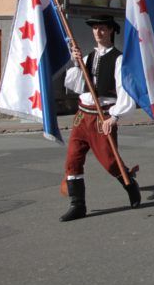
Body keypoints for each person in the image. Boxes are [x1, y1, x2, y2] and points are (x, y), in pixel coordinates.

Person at [60, 15, 140, 222]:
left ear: (111, 30)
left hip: (102, 116)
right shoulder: (86, 57)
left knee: (110, 162)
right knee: (72, 160)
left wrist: (114, 116)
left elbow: (125, 90)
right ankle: (78, 205)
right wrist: (77, 64)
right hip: (82, 116)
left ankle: (129, 182)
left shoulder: (119, 58)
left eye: (102, 28)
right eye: (95, 28)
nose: (98, 32)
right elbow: (77, 86)